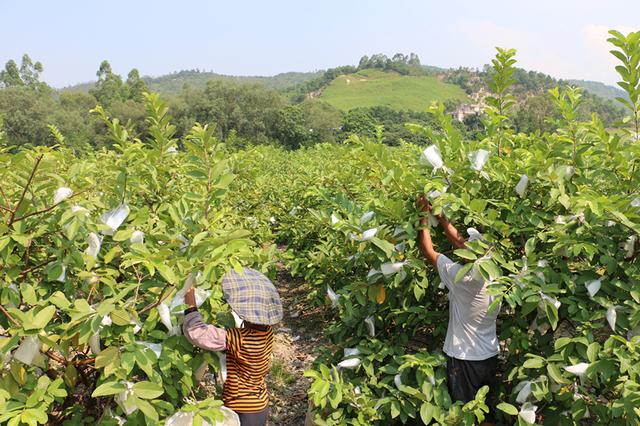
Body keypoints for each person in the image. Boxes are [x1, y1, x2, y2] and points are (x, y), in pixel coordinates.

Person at [416, 195, 500, 425]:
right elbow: (463, 244)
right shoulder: (495, 273)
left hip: (464, 359)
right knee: (485, 410)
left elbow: (428, 250)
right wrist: (442, 218)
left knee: (464, 413)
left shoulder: (463, 280)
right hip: (489, 355)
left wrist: (423, 215)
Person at [182, 267, 283, 426]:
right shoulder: (267, 331)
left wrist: (191, 305)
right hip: (259, 403)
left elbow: (198, 333)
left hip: (242, 408)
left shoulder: (239, 338)